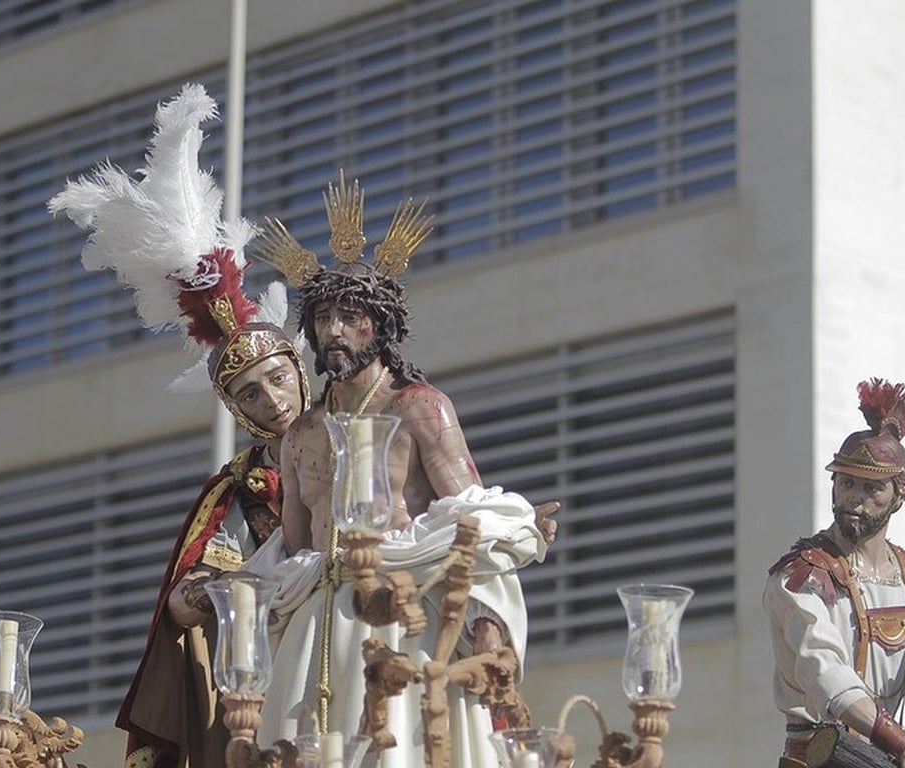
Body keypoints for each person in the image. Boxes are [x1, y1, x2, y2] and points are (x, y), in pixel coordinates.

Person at [247, 173, 558, 766]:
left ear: (380, 325)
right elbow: (287, 557)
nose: (334, 330)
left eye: (351, 316)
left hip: (399, 619)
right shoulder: (300, 436)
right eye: (323, 319)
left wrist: (488, 621)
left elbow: (469, 524)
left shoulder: (420, 408)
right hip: (315, 625)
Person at [48, 84, 310, 768]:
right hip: (277, 673)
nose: (271, 400)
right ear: (237, 411)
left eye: (277, 379)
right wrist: (215, 592)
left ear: (301, 373)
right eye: (249, 394)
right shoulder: (239, 491)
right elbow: (183, 605)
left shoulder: (361, 446)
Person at [764, 378, 905, 768]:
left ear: (899, 494)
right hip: (823, 758)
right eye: (847, 482)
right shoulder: (802, 576)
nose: (855, 496)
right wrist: (901, 742)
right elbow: (825, 673)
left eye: (873, 488)